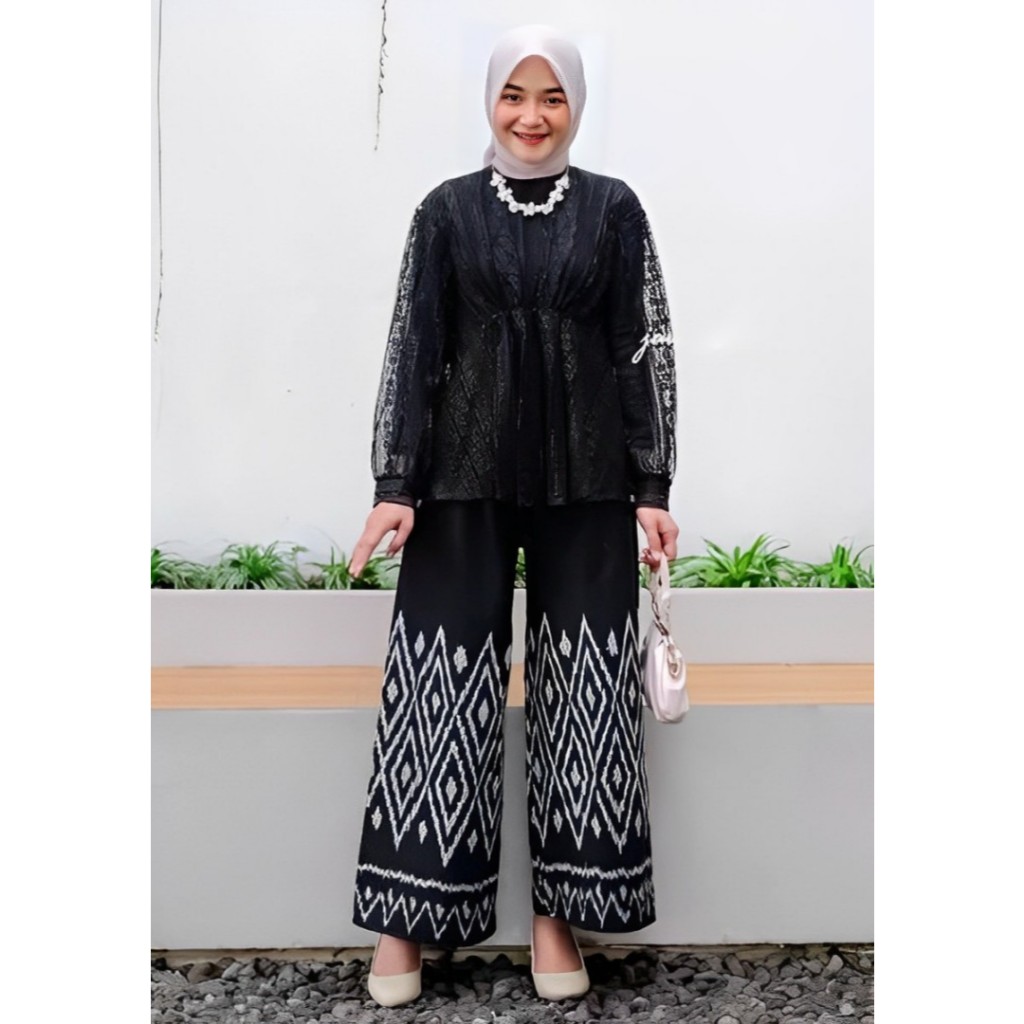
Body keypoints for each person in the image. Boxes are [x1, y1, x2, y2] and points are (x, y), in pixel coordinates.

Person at [346, 23, 679, 1008]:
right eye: (514, 95)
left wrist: (652, 489)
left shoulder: (614, 210)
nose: (532, 116)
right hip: (462, 477)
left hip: (589, 480)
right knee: (438, 686)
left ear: (575, 106)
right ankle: (406, 919)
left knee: (585, 691)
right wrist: (396, 483)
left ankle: (557, 915)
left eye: (552, 97)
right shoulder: (445, 212)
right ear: (491, 101)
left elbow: (640, 346)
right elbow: (415, 347)